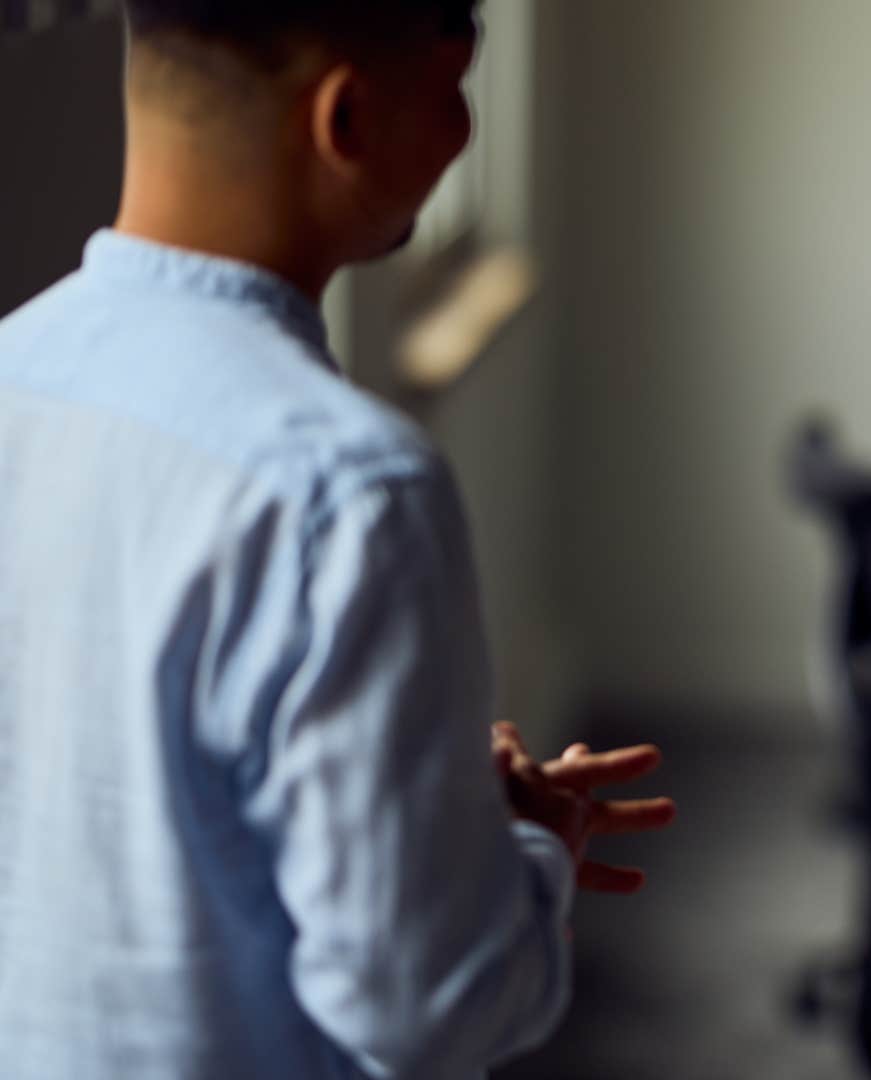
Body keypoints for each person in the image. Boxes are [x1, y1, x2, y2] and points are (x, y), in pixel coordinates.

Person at [0, 3, 672, 1076]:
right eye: (454, 87)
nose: (464, 136)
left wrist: (430, 825)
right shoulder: (352, 490)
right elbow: (427, 1012)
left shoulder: (16, 372)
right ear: (346, 118)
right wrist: (526, 853)